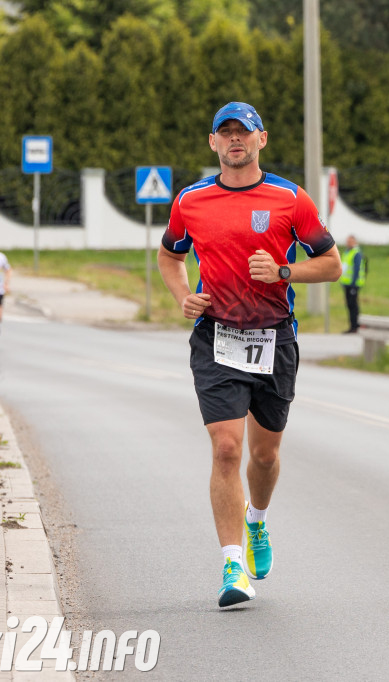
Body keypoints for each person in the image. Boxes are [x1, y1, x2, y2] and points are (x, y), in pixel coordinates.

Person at [157, 101, 342, 608]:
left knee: (264, 455)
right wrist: (181, 297)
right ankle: (232, 566)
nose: (235, 140)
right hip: (216, 336)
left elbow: (331, 264)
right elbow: (170, 255)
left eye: (245, 132)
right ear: (212, 142)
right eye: (226, 133)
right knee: (226, 449)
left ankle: (256, 520)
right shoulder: (191, 201)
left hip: (274, 339)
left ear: (262, 139)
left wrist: (285, 273)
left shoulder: (289, 199)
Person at [340, 234, 366, 333]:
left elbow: (356, 269)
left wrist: (354, 285)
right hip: (346, 283)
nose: (348, 243)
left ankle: (355, 326)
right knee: (349, 305)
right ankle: (352, 326)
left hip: (353, 284)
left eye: (350, 241)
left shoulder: (356, 253)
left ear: (354, 242)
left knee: (353, 305)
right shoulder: (347, 252)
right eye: (347, 241)